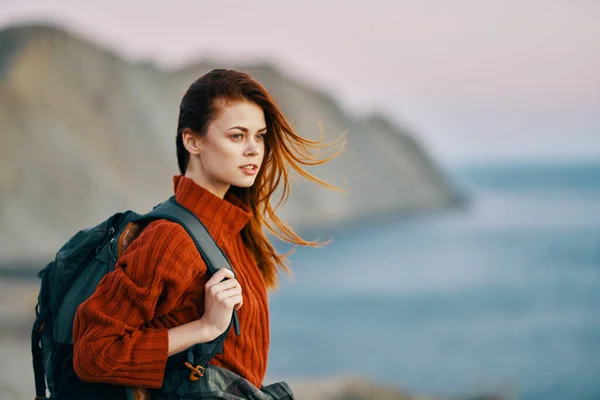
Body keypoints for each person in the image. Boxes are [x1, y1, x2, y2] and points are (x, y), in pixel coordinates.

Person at [71, 68, 344, 395]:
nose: (254, 149)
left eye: (259, 136)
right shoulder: (169, 240)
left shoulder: (233, 227)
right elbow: (93, 353)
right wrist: (204, 327)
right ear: (192, 140)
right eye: (237, 135)